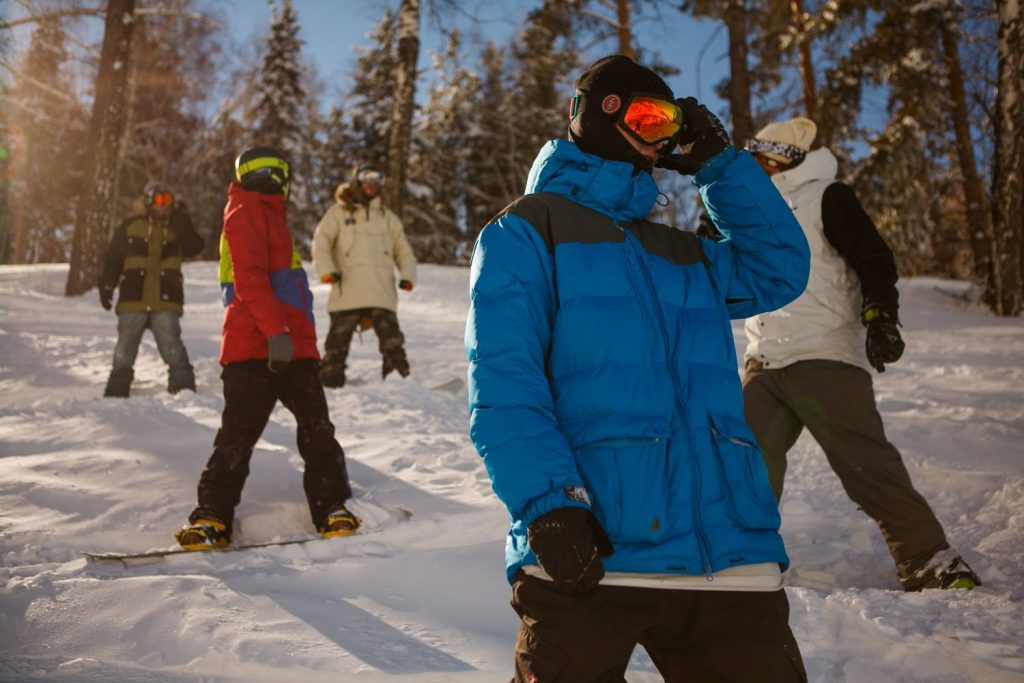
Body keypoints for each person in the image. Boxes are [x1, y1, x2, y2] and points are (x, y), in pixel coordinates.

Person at [465, 55, 812, 682]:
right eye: (647, 118)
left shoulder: (687, 254)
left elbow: (779, 269)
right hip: (592, 553)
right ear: (594, 115)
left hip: (728, 559)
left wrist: (720, 166)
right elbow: (504, 385)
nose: (657, 140)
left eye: (670, 124)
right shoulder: (526, 231)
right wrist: (548, 505)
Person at [742, 118, 982, 592]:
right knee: (739, 461)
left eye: (761, 159)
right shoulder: (752, 208)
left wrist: (880, 316)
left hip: (824, 354)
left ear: (783, 158)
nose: (755, 167)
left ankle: (929, 558)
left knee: (863, 462)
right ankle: (746, 558)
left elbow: (874, 258)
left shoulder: (828, 196)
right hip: (764, 361)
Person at [175, 146, 359, 550]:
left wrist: (305, 346)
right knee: (238, 436)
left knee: (318, 431)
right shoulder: (246, 212)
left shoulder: (269, 215)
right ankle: (212, 515)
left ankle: (331, 507)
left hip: (292, 349)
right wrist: (276, 333)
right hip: (255, 349)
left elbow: (289, 291)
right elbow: (250, 280)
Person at [311, 164, 417, 388]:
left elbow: (403, 250)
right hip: (346, 287)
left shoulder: (388, 218)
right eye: (366, 178)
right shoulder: (339, 212)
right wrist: (327, 271)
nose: (371, 184)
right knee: (337, 342)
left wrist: (408, 275)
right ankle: (330, 383)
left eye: (376, 179)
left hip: (381, 290)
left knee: (392, 340)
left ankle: (400, 383)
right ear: (356, 181)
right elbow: (322, 242)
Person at [98, 182, 204, 397]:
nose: (163, 206)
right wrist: (107, 284)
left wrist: (181, 221)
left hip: (166, 298)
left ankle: (183, 386)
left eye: (167, 201)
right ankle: (117, 388)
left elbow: (195, 247)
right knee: (126, 345)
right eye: (158, 200)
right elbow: (113, 258)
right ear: (147, 201)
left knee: (171, 341)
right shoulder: (131, 226)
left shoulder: (177, 227)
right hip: (133, 297)